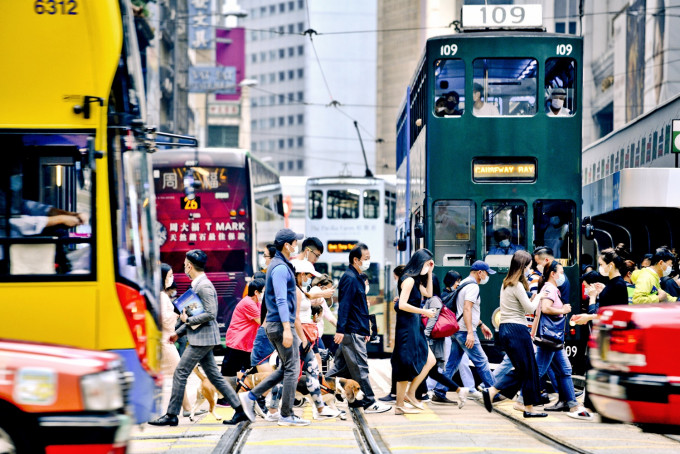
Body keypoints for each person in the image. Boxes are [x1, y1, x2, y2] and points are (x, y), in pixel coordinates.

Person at [149, 250, 247, 426]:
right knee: (215, 376)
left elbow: (210, 313)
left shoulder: (204, 286)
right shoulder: (197, 285)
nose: (184, 267)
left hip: (202, 339)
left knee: (180, 373)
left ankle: (172, 415)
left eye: (185, 264)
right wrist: (179, 332)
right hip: (201, 337)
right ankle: (239, 409)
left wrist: (188, 320)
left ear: (189, 265)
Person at [238, 228, 311, 427]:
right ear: (287, 245)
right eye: (295, 242)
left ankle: (251, 396)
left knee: (286, 367)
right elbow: (280, 300)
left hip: (277, 324)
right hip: (280, 325)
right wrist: (288, 329)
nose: (297, 245)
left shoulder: (281, 265)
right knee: (292, 368)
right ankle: (286, 414)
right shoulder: (279, 268)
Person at [326, 243, 391, 414]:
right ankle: (369, 402)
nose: (368, 262)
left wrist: (366, 330)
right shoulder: (350, 278)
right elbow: (345, 306)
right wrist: (340, 330)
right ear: (356, 259)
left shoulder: (357, 277)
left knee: (339, 368)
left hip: (356, 330)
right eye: (366, 259)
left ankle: (322, 393)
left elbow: (360, 308)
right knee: (361, 368)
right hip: (351, 332)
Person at [481, 251, 546, 418]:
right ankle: (494, 392)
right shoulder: (516, 285)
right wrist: (538, 297)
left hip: (506, 329)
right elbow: (529, 309)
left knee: (526, 368)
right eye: (528, 268)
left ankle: (526, 406)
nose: (529, 272)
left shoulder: (506, 283)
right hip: (517, 330)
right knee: (527, 368)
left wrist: (530, 298)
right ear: (523, 267)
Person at [533, 260, 592, 420]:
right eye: (560, 272)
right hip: (550, 336)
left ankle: (573, 404)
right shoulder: (550, 288)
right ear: (553, 274)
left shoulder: (552, 288)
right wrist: (563, 310)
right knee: (539, 370)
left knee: (565, 370)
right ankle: (518, 397)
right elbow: (545, 308)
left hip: (554, 337)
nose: (562, 275)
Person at [433, 261, 496, 402]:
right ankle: (493, 391)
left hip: (457, 330)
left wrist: (481, 324)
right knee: (482, 361)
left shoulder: (464, 283)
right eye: (486, 273)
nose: (487, 276)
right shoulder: (473, 287)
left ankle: (439, 390)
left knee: (452, 363)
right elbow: (467, 309)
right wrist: (470, 332)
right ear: (480, 272)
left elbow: (463, 310)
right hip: (464, 331)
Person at [290, 259, 341, 419]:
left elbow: (310, 294)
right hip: (301, 335)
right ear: (300, 274)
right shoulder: (296, 291)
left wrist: (323, 294)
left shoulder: (301, 289)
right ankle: (268, 404)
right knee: (288, 374)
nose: (309, 278)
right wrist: (303, 340)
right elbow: (296, 317)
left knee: (312, 369)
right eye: (307, 275)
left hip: (306, 334)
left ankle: (319, 408)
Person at [391, 249, 437, 414]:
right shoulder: (409, 280)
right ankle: (399, 405)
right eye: (427, 263)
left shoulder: (415, 280)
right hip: (407, 326)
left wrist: (430, 273)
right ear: (420, 262)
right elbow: (402, 304)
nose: (428, 266)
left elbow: (429, 293)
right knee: (405, 362)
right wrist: (424, 312)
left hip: (414, 325)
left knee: (430, 360)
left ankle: (411, 393)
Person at [423, 274, 470, 408]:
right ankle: (459, 390)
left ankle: (418, 395)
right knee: (432, 371)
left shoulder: (434, 300)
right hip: (432, 340)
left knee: (428, 369)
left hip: (431, 341)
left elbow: (431, 321)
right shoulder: (432, 299)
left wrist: (424, 338)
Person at [159, 264, 193, 417]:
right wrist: (178, 313)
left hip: (165, 340)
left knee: (178, 374)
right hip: (165, 342)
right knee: (179, 373)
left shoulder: (162, 295)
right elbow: (165, 321)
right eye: (169, 275)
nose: (171, 278)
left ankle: (187, 408)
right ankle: (186, 408)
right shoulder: (161, 296)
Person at [221, 278, 265, 378]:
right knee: (228, 374)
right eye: (263, 291)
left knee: (251, 373)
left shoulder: (257, 303)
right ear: (256, 292)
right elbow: (261, 322)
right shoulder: (248, 303)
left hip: (246, 343)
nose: (265, 293)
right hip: (237, 343)